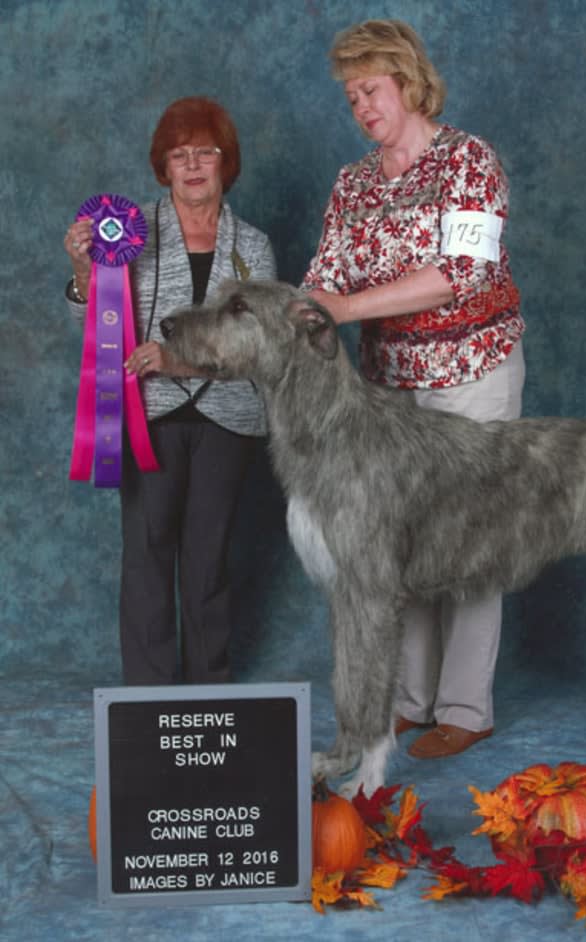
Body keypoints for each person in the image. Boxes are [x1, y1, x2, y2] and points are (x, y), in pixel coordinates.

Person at [302, 20, 526, 759]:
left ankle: (466, 705)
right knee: (397, 544)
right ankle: (409, 699)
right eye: (350, 97)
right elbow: (324, 278)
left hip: (472, 376)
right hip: (388, 392)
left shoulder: (468, 160)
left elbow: (463, 276)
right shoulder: (354, 182)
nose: (361, 106)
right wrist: (298, 312)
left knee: (470, 537)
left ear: (405, 79)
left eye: (369, 89)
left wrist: (345, 310)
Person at [64, 96, 276, 685]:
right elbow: (100, 318)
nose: (192, 165)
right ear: (164, 166)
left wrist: (177, 361)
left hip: (229, 421)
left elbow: (262, 347)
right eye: (179, 155)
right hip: (145, 415)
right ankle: (149, 697)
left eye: (205, 152)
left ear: (224, 162)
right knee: (149, 557)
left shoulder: (252, 246)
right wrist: (85, 269)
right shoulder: (129, 233)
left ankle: (210, 693)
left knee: (208, 563)